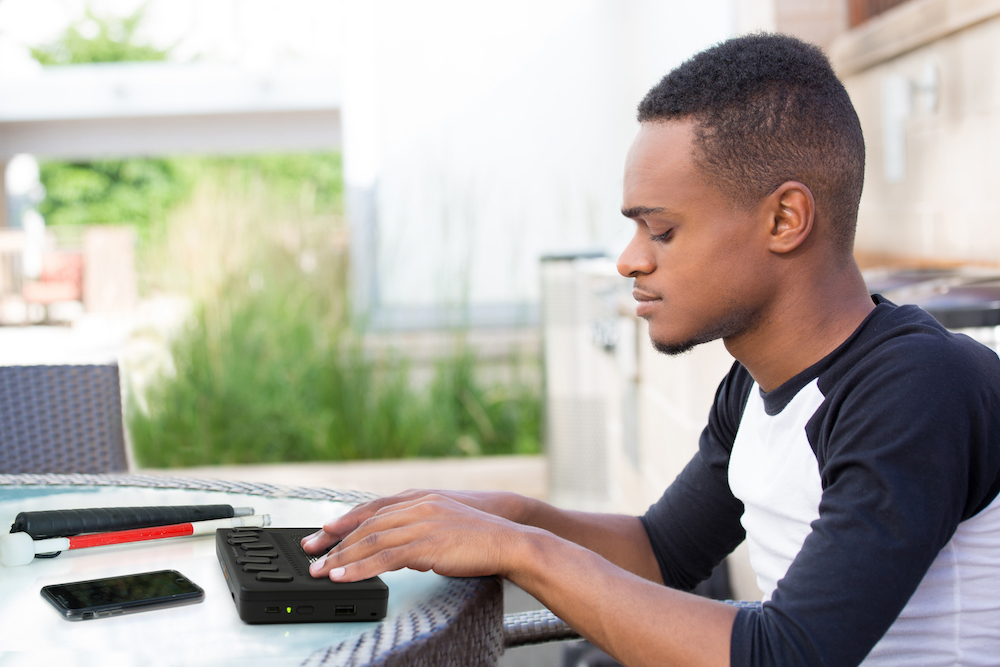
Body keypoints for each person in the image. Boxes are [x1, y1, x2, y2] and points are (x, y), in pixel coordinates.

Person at [303, 33, 1000, 666]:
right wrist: (506, 513)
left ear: (785, 218)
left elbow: (786, 655)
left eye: (661, 231)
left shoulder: (917, 387)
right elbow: (660, 551)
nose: (630, 261)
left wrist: (520, 547)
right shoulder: (756, 383)